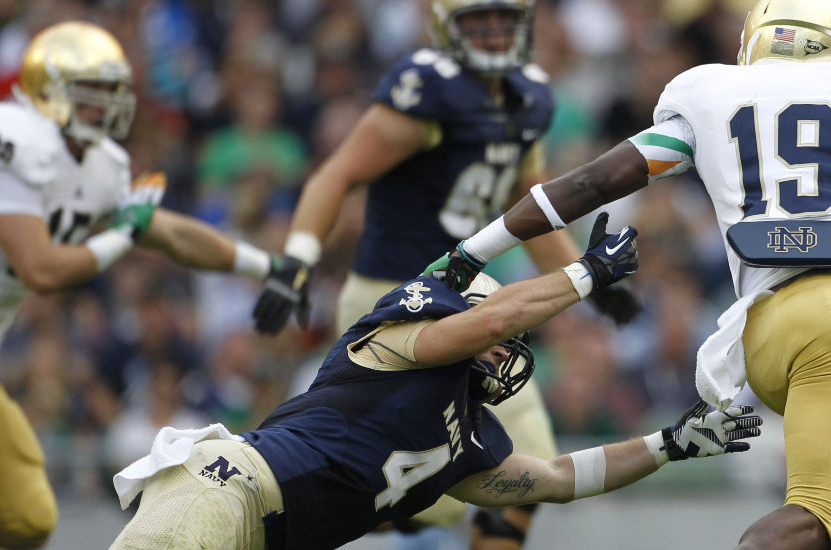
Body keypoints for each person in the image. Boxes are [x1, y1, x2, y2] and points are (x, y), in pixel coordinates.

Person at [432, 1, 831, 549]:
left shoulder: (711, 97)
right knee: (816, 517)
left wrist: (473, 251)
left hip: (761, 334)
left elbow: (588, 185)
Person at [110, 215, 761, 550]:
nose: (505, 350)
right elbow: (487, 321)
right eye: (496, 334)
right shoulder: (399, 343)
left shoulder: (464, 443)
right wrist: (584, 275)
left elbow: (564, 478)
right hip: (222, 493)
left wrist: (669, 444)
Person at [249, 0, 639, 544]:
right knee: (400, 482)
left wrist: (586, 279)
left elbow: (527, 202)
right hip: (392, 303)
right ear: (444, 27)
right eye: (478, 20)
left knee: (529, 473)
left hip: (468, 300)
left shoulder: (530, 95)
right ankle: (272, 508)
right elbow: (336, 175)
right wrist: (297, 257)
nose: (495, 32)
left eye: (505, 19)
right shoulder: (428, 91)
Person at [0, 22, 285, 549]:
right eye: (93, 96)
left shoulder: (100, 165)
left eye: (112, 94)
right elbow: (42, 270)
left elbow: (172, 235)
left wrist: (266, 266)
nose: (108, 108)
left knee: (24, 517)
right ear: (49, 95)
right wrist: (122, 234)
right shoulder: (10, 136)